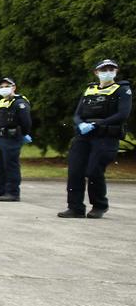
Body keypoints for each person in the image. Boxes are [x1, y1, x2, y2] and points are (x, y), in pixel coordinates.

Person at [59, 59, 131, 219]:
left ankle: (99, 205)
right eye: (104, 69)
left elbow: (122, 114)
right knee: (75, 171)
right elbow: (77, 114)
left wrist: (97, 124)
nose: (108, 72)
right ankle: (75, 207)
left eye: (111, 69)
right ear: (96, 72)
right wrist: (81, 124)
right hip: (84, 136)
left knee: (93, 171)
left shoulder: (122, 90)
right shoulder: (90, 90)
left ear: (116, 72)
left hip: (105, 137)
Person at [0, 78, 32, 202]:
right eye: (0, 87)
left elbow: (26, 121)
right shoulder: (2, 102)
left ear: (13, 87)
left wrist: (24, 134)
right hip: (1, 137)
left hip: (12, 138)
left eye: (6, 86)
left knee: (10, 165)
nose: (3, 89)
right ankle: (0, 190)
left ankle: (13, 192)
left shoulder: (20, 102)